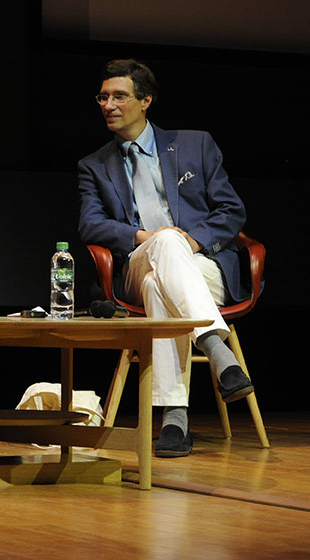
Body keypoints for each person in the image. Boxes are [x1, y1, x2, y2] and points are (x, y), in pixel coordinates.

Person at [77, 58, 254, 457]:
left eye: (119, 96)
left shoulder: (196, 144)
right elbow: (90, 225)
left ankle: (174, 417)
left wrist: (188, 242)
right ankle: (215, 345)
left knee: (164, 281)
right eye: (103, 97)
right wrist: (144, 236)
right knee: (162, 249)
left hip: (200, 264)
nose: (109, 105)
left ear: (146, 101)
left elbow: (231, 211)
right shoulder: (94, 165)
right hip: (137, 265)